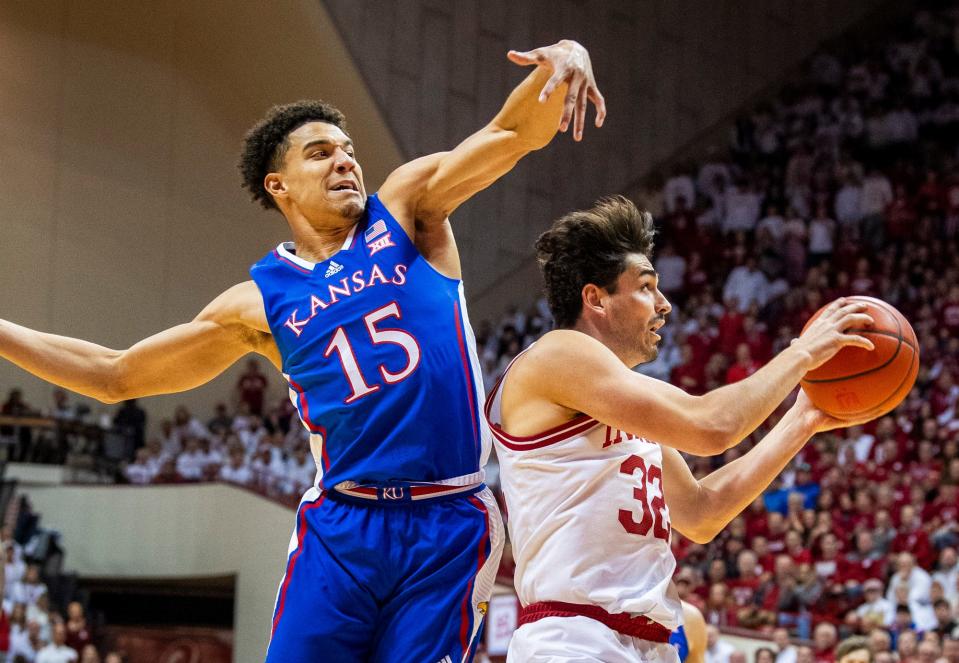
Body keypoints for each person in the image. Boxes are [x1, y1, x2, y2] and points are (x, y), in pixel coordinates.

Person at [0, 39, 605, 663]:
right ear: (279, 184)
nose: (345, 162)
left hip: (447, 517)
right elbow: (116, 374)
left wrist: (564, 64)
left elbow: (510, 134)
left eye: (348, 151)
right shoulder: (258, 302)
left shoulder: (406, 209)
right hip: (342, 528)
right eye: (321, 154)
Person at [486, 197, 875, 662]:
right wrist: (802, 353)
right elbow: (713, 426)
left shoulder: (622, 403)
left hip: (647, 641)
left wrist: (803, 418)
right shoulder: (558, 354)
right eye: (647, 287)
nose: (664, 304)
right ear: (596, 299)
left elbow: (701, 513)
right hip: (574, 638)